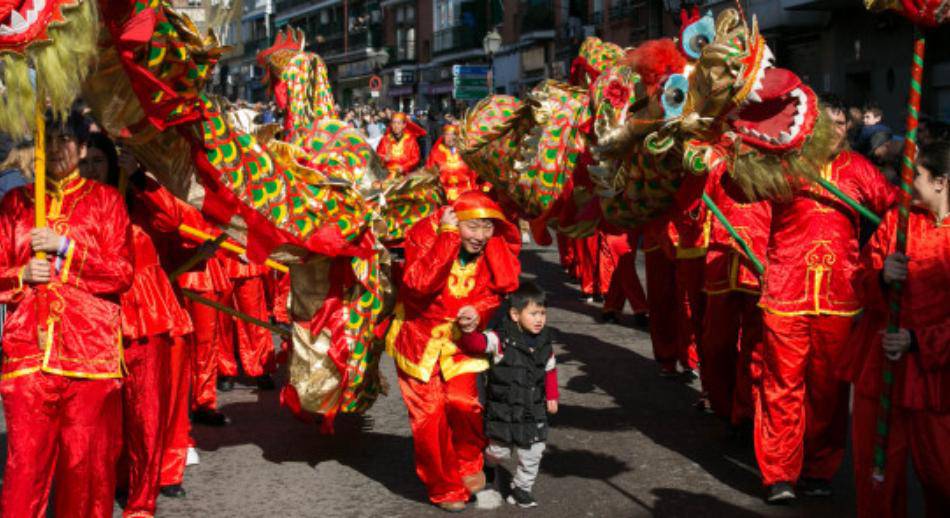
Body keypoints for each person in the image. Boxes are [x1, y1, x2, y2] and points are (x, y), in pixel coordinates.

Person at [755, 96, 897, 503]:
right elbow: (743, 189)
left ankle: (818, 467)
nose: (839, 131)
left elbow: (891, 210)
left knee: (829, 391)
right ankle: (779, 473)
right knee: (781, 387)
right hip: (786, 292)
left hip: (839, 296)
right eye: (831, 123)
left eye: (843, 125)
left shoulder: (858, 169)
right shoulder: (786, 164)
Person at [0, 111, 134, 517]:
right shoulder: (15, 203)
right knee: (24, 468)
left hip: (90, 357)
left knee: (85, 470)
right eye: (49, 140)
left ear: (81, 147)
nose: (57, 147)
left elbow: (121, 273)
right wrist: (20, 274)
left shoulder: (106, 201)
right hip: (28, 353)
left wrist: (66, 250)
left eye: (65, 139)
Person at [79, 134, 193, 517]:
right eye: (86, 161)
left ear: (112, 163)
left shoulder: (136, 196)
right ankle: (120, 481)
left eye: (99, 160)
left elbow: (172, 220)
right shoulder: (75, 206)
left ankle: (143, 498)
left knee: (146, 413)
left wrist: (140, 179)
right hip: (95, 320)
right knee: (106, 418)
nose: (92, 168)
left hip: (145, 316)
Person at [385, 190, 521, 512]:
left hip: (461, 342)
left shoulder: (491, 247)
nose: (481, 236)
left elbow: (493, 295)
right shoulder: (424, 233)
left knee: (463, 404)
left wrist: (479, 312)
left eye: (487, 227)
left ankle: (469, 462)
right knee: (429, 417)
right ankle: (445, 487)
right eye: (472, 228)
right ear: (454, 221)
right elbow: (418, 287)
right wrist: (447, 238)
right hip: (418, 340)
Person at [842, 141, 950, 518]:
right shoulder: (897, 222)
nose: (907, 184)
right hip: (882, 366)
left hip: (935, 376)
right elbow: (858, 279)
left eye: (917, 175)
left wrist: (919, 341)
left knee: (942, 477)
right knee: (877, 477)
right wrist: (882, 277)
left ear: (940, 182)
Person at [458, 281, 559, 508]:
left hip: (533, 410)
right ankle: (487, 464)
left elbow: (550, 369)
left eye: (543, 313)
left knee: (534, 452)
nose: (539, 319)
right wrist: (468, 331)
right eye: (533, 313)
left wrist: (552, 396)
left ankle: (522, 488)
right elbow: (477, 344)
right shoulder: (500, 338)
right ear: (515, 314)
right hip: (504, 412)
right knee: (499, 451)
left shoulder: (544, 342)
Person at [700, 166, 771, 428]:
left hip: (762, 263)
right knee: (717, 342)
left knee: (756, 345)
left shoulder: (780, 165)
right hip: (721, 261)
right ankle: (722, 401)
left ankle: (746, 411)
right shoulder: (717, 168)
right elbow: (693, 202)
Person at [599, 230, 649, 328]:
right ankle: (640, 309)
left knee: (623, 267)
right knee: (625, 267)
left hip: (632, 227)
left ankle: (611, 307)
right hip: (617, 228)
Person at [426, 123, 479, 202]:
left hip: (465, 192)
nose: (450, 138)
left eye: (453, 135)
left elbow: (475, 172)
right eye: (447, 135)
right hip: (445, 194)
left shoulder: (465, 152)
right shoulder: (436, 153)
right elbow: (429, 173)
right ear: (443, 136)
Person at [376, 112, 425, 179]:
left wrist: (404, 167)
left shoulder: (410, 140)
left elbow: (415, 158)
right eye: (394, 123)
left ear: (404, 125)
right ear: (391, 124)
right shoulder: (385, 139)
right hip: (387, 175)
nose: (396, 126)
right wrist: (384, 158)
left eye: (399, 123)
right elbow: (377, 156)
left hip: (406, 176)